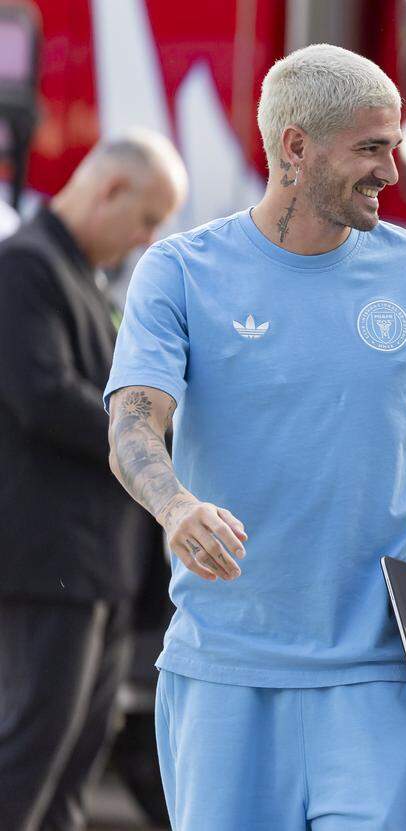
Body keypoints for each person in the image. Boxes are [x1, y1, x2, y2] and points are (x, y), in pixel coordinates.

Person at [104, 44, 406, 829]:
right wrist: (176, 506)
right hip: (224, 674)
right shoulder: (180, 271)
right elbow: (132, 422)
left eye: (395, 144)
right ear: (295, 147)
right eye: (370, 148)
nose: (392, 169)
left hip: (383, 679)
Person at [0, 130, 187, 831]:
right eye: (146, 218)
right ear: (109, 189)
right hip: (49, 564)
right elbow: (42, 394)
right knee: (30, 753)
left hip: (97, 568)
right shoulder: (24, 267)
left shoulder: (82, 276)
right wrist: (144, 431)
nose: (147, 239)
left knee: (77, 759)